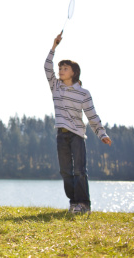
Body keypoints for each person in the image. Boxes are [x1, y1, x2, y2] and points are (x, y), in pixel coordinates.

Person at [44, 32, 112, 214]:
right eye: (60, 68)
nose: (60, 70)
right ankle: (74, 203)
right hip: (61, 135)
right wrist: (54, 47)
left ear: (74, 72)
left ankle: (84, 204)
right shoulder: (56, 86)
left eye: (64, 68)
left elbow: (92, 115)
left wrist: (102, 134)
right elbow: (47, 67)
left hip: (77, 136)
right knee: (66, 172)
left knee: (79, 171)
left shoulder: (83, 93)